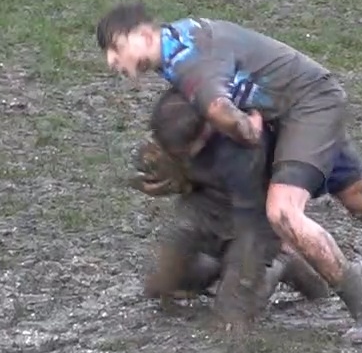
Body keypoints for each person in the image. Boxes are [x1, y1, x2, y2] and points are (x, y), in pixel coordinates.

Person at [97, 4, 362, 342]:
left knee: (283, 213)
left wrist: (246, 129)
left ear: (144, 34)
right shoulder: (182, 38)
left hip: (308, 108)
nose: (112, 61)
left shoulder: (189, 63)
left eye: (116, 48)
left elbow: (220, 110)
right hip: (300, 104)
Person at [129, 90, 331, 324]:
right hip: (206, 211)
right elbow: (154, 170)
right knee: (165, 282)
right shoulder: (181, 122)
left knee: (233, 310)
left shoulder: (247, 141)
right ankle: (223, 270)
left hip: (252, 221)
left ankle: (282, 264)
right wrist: (165, 176)